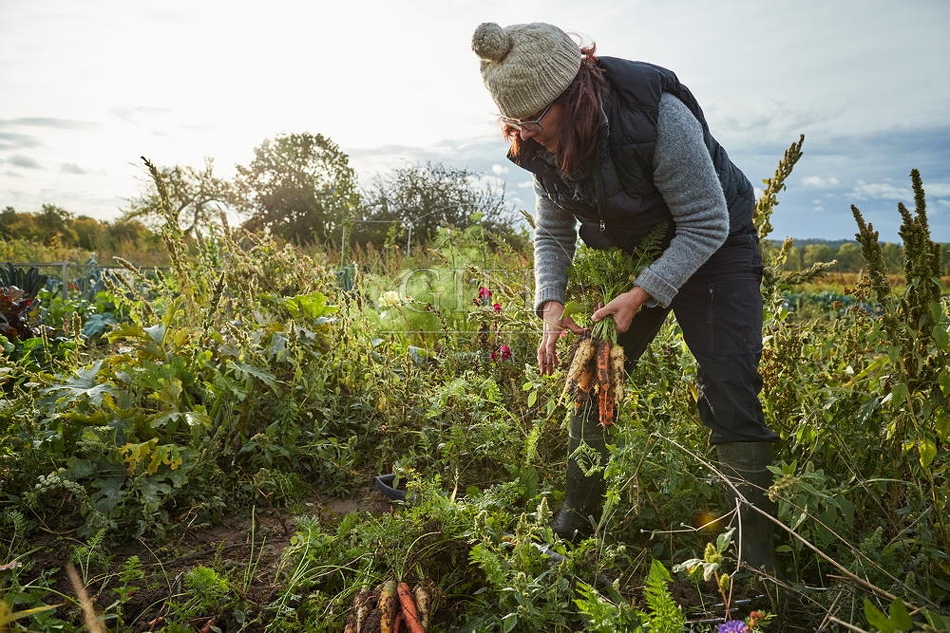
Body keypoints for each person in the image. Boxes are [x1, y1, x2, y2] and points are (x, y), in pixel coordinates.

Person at [471, 21, 780, 572]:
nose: (527, 133)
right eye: (515, 123)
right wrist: (551, 306)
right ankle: (574, 528)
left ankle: (757, 561)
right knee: (595, 373)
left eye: (535, 120)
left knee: (729, 388)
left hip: (717, 245)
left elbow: (706, 223)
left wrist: (642, 293)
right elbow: (553, 231)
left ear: (574, 93)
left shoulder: (658, 118)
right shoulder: (540, 142)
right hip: (652, 247)